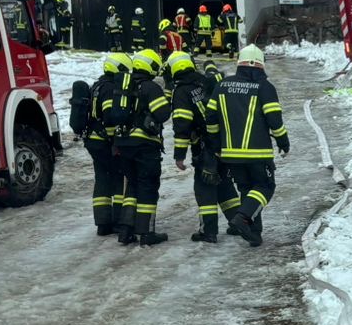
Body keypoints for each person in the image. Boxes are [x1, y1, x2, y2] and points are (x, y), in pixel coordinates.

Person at [211, 45, 290, 247]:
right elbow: (274, 119)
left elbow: (210, 118)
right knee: (265, 186)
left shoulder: (222, 85)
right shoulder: (264, 87)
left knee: (247, 189)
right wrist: (283, 141)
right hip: (258, 152)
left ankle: (254, 233)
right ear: (261, 65)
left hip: (230, 154)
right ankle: (243, 218)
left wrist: (216, 144)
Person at [113, 47, 171, 246]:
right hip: (144, 146)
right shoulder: (150, 87)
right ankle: (146, 233)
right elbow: (163, 114)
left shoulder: (123, 85)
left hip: (123, 143)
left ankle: (125, 230)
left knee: (133, 184)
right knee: (148, 186)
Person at [167, 51, 225, 242]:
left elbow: (182, 125)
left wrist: (179, 155)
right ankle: (239, 222)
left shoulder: (182, 92)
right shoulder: (204, 81)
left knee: (204, 187)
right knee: (225, 185)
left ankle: (208, 232)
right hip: (223, 143)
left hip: (203, 146)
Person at [73, 52, 129, 235]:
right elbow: (110, 118)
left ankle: (103, 224)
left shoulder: (97, 85)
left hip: (93, 141)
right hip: (106, 142)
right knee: (119, 178)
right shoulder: (110, 88)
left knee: (102, 180)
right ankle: (121, 221)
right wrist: (116, 143)